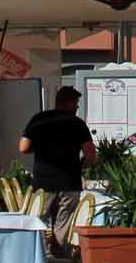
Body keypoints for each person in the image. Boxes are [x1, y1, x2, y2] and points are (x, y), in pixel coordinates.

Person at [18, 86, 96, 237]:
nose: (77, 106)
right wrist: (82, 166)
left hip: (43, 182)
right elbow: (91, 155)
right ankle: (60, 256)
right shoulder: (77, 124)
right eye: (75, 102)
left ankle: (39, 256)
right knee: (63, 224)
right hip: (69, 182)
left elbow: (23, 147)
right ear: (67, 103)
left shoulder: (39, 119)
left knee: (38, 224)